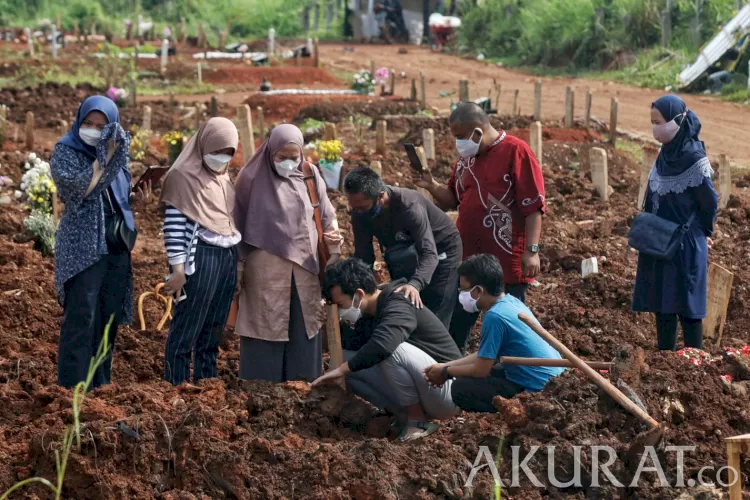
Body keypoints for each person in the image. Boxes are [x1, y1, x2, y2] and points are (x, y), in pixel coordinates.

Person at [414, 102, 546, 352]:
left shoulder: (516, 152)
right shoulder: (466, 159)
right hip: (469, 257)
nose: (458, 144)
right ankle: (453, 365)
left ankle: (515, 369)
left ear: (477, 132)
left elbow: (534, 207)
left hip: (506, 258)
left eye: (460, 137)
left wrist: (532, 250)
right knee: (458, 321)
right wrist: (431, 185)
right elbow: (452, 199)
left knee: (510, 321)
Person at [51, 96, 149, 389]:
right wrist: (103, 157)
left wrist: (135, 198)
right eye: (88, 124)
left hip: (115, 246)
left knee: (108, 316)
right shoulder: (66, 152)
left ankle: (100, 384)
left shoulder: (119, 157)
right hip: (83, 247)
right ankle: (73, 388)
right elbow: (82, 190)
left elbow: (115, 197)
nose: (94, 130)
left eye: (102, 126)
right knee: (82, 316)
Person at [234, 124, 342, 382]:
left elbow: (327, 215)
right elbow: (236, 224)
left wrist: (333, 239)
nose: (289, 163)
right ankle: (260, 392)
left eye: (295, 157)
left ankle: (303, 388)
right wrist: (236, 271)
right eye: (282, 158)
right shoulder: (250, 179)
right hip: (264, 271)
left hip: (305, 269)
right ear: (270, 152)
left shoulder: (309, 174)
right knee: (264, 326)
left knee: (304, 326)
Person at [313, 258, 462, 441]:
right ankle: (403, 416)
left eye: (341, 305)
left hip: (447, 390)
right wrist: (327, 323)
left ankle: (417, 421)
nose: (341, 311)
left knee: (391, 352)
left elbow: (384, 345)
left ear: (358, 294)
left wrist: (342, 369)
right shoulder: (367, 314)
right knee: (347, 360)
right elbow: (347, 347)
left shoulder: (398, 302)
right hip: (425, 386)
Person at [424, 254, 564, 413]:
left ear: (478, 291)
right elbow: (484, 355)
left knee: (460, 389)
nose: (460, 294)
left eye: (463, 289)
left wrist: (445, 372)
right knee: (494, 368)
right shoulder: (510, 302)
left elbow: (480, 370)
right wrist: (446, 366)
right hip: (555, 381)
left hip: (539, 389)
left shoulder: (495, 317)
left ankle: (519, 410)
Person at [632, 95, 718, 351]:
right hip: (660, 240)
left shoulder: (693, 157)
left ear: (677, 121)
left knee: (689, 306)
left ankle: (694, 361)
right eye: (652, 122)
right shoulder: (664, 154)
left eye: (659, 122)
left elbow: (709, 202)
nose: (655, 128)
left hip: (685, 242)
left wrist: (704, 231)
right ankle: (666, 360)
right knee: (663, 304)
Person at [160, 117, 240, 386]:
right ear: (203, 145)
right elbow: (173, 227)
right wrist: (178, 269)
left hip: (227, 256)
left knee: (213, 329)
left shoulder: (224, 178)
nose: (222, 158)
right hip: (200, 257)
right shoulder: (182, 176)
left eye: (228, 152)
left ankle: (207, 388)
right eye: (216, 151)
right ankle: (177, 388)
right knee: (187, 327)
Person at [345, 166, 462, 329]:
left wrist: (415, 284)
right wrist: (358, 289)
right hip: (405, 251)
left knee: (436, 309)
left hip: (442, 248)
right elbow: (364, 256)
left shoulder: (409, 206)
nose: (358, 212)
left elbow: (429, 253)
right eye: (354, 208)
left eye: (363, 207)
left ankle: (443, 351)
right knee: (406, 303)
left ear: (380, 196)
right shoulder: (360, 211)